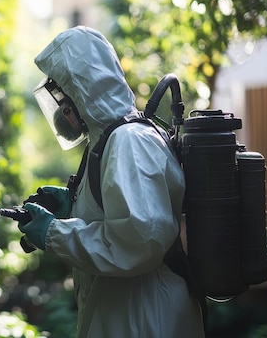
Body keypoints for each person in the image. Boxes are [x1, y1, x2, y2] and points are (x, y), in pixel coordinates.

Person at [16, 26, 205, 337]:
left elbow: (139, 241)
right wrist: (73, 206)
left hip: (145, 317)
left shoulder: (129, 141)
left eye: (62, 95)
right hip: (126, 311)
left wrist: (53, 232)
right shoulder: (107, 139)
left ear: (81, 91)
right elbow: (118, 215)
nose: (61, 110)